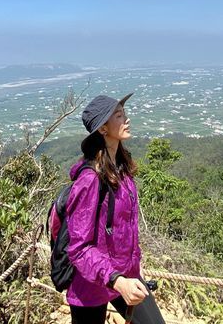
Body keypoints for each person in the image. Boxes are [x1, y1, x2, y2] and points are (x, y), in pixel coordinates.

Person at [65, 93, 165, 324]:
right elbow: (79, 248)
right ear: (102, 129)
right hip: (91, 283)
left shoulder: (122, 169)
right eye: (119, 115)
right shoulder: (89, 180)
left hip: (125, 274)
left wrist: (133, 266)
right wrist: (117, 280)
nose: (127, 119)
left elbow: (125, 228)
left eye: (124, 113)